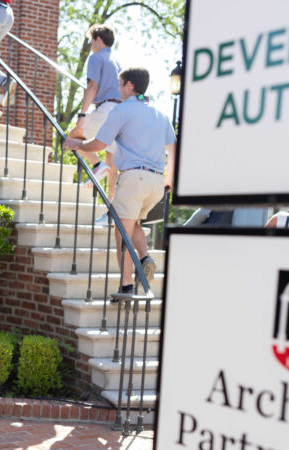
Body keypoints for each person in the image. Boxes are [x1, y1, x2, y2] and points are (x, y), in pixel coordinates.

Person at [63, 67, 176, 294]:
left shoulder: (122, 110)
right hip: (156, 182)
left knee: (121, 231)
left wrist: (79, 145)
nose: (118, 87)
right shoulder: (160, 113)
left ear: (129, 85)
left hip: (134, 177)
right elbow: (174, 149)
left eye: (120, 83)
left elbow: (100, 144)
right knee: (132, 223)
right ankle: (144, 258)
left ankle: (126, 286)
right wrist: (169, 180)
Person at [68, 25, 121, 199]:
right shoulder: (117, 61)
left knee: (72, 138)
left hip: (106, 108)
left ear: (98, 39)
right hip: (119, 111)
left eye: (91, 41)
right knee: (112, 165)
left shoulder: (96, 58)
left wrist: (82, 115)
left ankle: (97, 164)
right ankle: (112, 213)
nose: (91, 45)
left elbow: (92, 86)